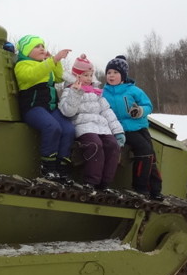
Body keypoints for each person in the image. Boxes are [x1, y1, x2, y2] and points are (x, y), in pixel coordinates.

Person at [58, 54, 124, 191]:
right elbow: (67, 112)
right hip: (84, 127)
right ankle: (91, 182)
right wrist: (76, 93)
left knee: (113, 146)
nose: (89, 79)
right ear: (77, 76)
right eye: (85, 75)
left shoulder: (96, 93)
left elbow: (107, 112)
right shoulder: (70, 90)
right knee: (95, 145)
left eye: (90, 75)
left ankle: (105, 184)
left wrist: (117, 131)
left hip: (102, 127)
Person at [102, 56, 163, 200]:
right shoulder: (103, 93)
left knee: (151, 157)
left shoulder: (133, 90)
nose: (111, 76)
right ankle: (140, 187)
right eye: (109, 72)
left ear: (123, 76)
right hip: (121, 129)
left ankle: (155, 190)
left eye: (115, 73)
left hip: (140, 127)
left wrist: (140, 110)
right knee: (144, 151)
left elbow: (148, 105)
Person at [14, 35, 74, 181]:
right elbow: (32, 75)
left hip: (50, 108)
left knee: (69, 130)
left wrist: (56, 60)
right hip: (33, 108)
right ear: (26, 51)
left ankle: (61, 169)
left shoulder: (45, 64)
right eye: (37, 46)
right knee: (52, 127)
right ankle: (48, 168)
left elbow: (59, 77)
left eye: (42, 45)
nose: (42, 48)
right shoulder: (22, 65)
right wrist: (52, 61)